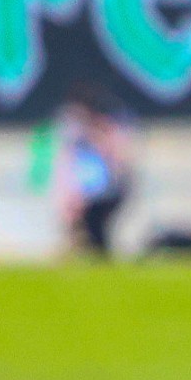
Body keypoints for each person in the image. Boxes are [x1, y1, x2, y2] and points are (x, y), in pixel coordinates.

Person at [57, 84, 137, 255]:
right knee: (90, 228)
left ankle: (95, 252)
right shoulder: (85, 138)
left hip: (105, 189)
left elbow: (116, 161)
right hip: (94, 189)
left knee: (95, 228)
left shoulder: (103, 134)